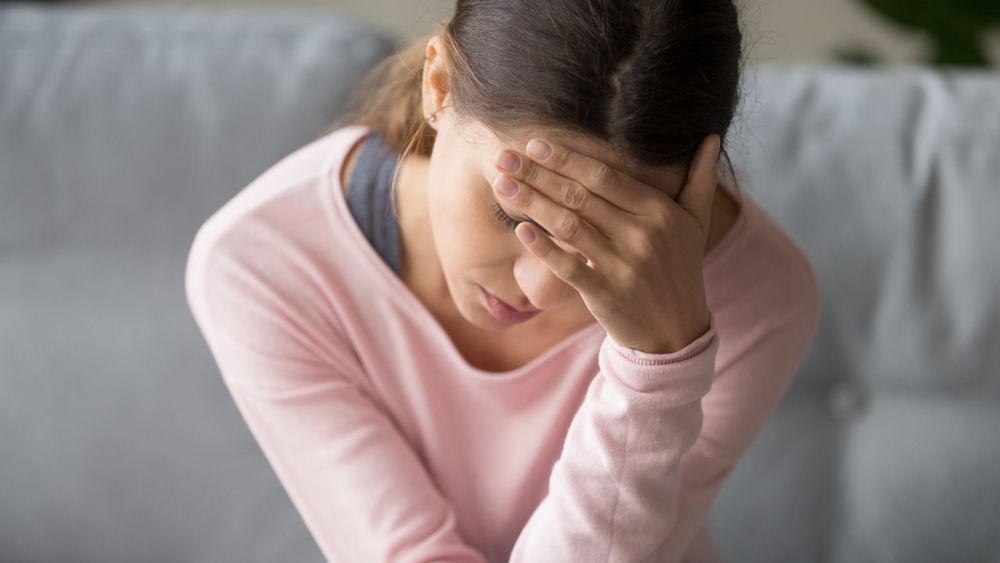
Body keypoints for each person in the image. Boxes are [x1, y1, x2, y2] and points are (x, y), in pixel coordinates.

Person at [185, 1, 822, 561]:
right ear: (439, 85)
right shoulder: (265, 260)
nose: (543, 290)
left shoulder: (759, 297)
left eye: (607, 237)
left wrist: (658, 366)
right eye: (511, 213)